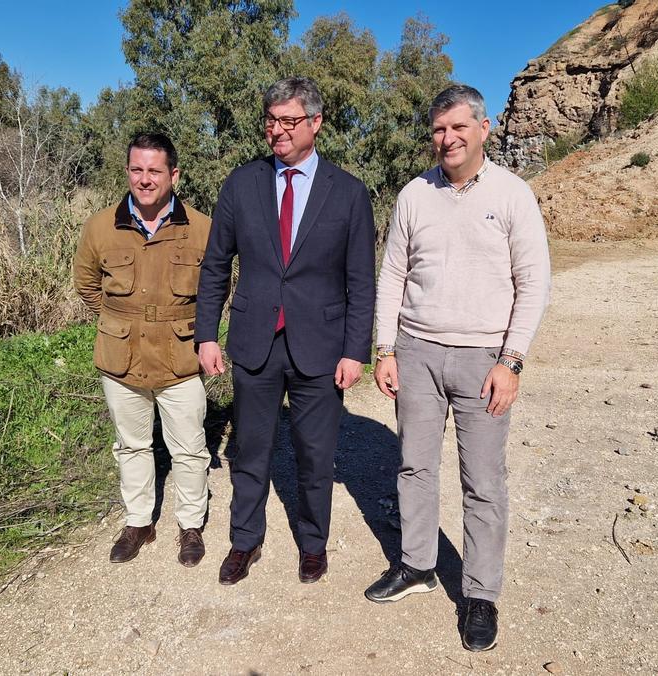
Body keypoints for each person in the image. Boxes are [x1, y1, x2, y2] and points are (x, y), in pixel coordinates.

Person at [363, 84, 551, 652]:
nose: (447, 139)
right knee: (414, 466)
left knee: (484, 482)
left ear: (483, 128)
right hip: (416, 352)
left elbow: (534, 282)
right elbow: (393, 273)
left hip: (483, 359)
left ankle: (480, 594)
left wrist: (510, 360)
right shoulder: (414, 195)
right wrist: (385, 348)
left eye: (458, 128)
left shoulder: (513, 195)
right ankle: (417, 565)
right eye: (439, 130)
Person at [195, 76, 376, 586]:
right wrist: (207, 334)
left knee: (315, 455)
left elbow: (361, 280)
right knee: (250, 449)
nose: (277, 130)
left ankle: (313, 544)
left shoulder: (348, 193)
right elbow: (215, 266)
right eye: (271, 120)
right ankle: (244, 541)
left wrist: (354, 350)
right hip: (255, 340)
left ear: (315, 123)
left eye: (289, 121)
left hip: (320, 345)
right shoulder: (242, 183)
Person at [73, 132, 212, 568]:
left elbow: (215, 288)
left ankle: (190, 525)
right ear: (128, 171)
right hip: (121, 358)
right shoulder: (100, 226)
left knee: (190, 449)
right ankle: (138, 522)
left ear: (174, 175)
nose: (145, 179)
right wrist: (118, 324)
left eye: (154, 170)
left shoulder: (202, 228)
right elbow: (86, 284)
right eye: (137, 169)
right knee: (131, 445)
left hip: (181, 358)